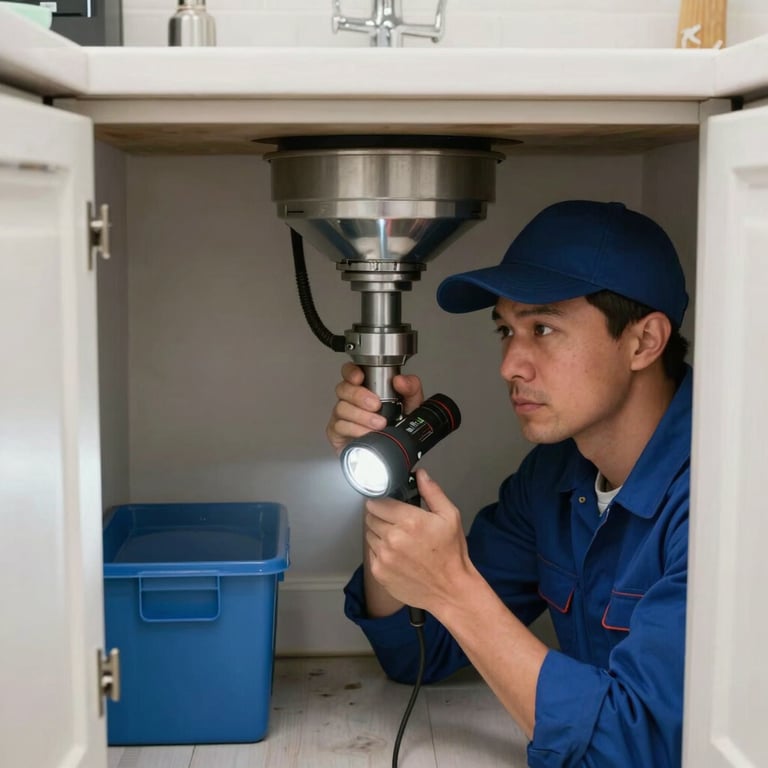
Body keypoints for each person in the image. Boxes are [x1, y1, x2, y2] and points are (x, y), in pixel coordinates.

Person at [326, 200, 691, 767]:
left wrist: (452, 586)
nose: (509, 365)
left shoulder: (722, 501)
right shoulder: (553, 479)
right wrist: (389, 484)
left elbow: (630, 752)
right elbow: (415, 649)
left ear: (643, 342)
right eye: (506, 329)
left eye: (542, 328)